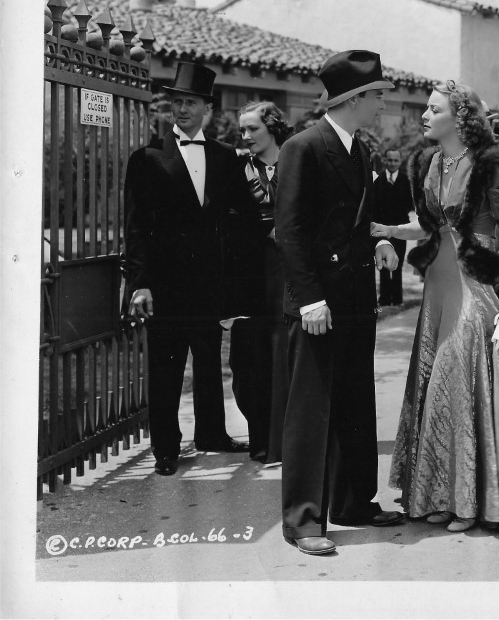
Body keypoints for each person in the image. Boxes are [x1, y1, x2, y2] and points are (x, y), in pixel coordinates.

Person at [378, 80, 499, 533]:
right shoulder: (432, 162)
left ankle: (469, 501)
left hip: (475, 285)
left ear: (460, 118)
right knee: (434, 389)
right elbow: (429, 227)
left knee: (454, 385)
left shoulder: (490, 164)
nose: (424, 116)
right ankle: (439, 496)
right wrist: (388, 231)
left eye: (433, 109)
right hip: (438, 288)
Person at [274, 50, 406, 557]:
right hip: (318, 303)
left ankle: (354, 502)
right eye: (377, 96)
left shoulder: (359, 150)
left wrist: (380, 241)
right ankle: (304, 519)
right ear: (354, 99)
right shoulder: (303, 147)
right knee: (311, 412)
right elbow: (290, 231)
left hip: (354, 298)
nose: (383, 105)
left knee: (354, 401)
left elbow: (355, 218)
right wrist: (309, 299)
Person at [123, 62, 256, 476]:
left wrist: (236, 284)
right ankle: (165, 448)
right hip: (165, 286)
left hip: (210, 285)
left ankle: (212, 434)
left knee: (209, 361)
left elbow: (240, 223)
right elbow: (135, 228)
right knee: (166, 366)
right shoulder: (146, 158)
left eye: (191, 103)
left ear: (207, 110)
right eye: (177, 102)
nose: (182, 109)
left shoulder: (225, 157)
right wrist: (141, 283)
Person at [227, 101, 292, 464]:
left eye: (253, 128)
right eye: (242, 130)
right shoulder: (237, 170)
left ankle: (286, 442)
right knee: (249, 360)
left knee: (285, 354)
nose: (246, 136)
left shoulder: (297, 163)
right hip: (250, 274)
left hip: (288, 271)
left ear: (273, 128)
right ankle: (262, 440)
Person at [373, 148, 413, 306]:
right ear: (384, 160)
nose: (392, 163)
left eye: (396, 160)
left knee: (398, 263)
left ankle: (397, 299)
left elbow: (410, 204)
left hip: (400, 229)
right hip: (382, 230)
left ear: (400, 162)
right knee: (383, 263)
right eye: (389, 160)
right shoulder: (378, 181)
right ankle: (384, 298)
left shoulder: (406, 181)